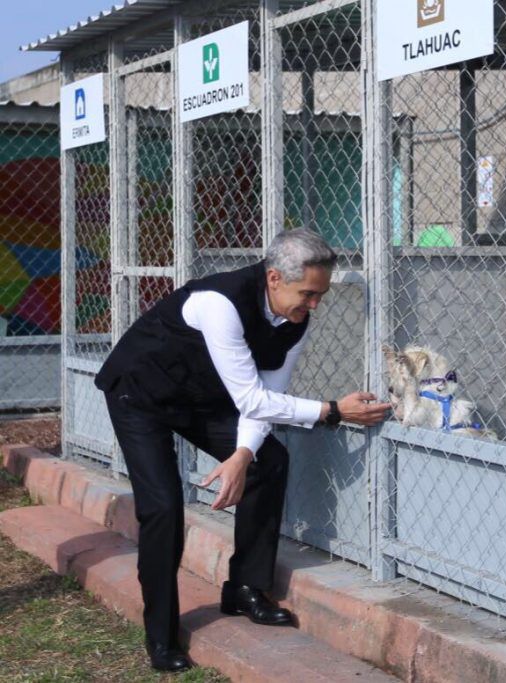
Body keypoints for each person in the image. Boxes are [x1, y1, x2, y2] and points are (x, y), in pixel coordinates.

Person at [95, 228, 390, 672]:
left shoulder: (296, 318)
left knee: (269, 461)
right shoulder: (220, 303)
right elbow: (253, 400)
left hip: (205, 398)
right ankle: (161, 634)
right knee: (162, 506)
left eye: (320, 295)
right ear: (274, 278)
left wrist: (243, 455)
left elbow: (268, 393)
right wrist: (332, 410)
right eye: (308, 294)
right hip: (141, 395)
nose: (314, 306)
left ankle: (244, 589)